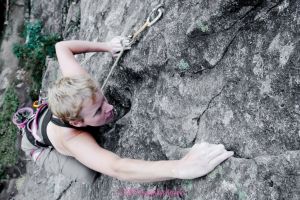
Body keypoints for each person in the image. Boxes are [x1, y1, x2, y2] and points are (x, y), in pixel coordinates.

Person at [20, 36, 234, 184]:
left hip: (56, 111)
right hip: (37, 144)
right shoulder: (72, 138)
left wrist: (107, 46)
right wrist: (179, 167)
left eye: (103, 101)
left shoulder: (80, 82)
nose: (110, 108)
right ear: (77, 123)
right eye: (97, 111)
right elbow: (117, 167)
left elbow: (61, 47)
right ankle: (41, 152)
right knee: (89, 173)